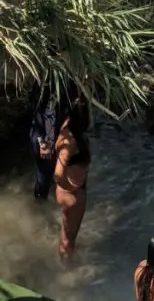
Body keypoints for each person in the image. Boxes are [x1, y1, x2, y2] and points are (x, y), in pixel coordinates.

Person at [54, 97, 90, 260]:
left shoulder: (67, 127)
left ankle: (64, 258)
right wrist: (70, 187)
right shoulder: (70, 142)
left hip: (69, 192)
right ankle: (67, 269)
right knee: (70, 239)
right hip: (72, 195)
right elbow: (58, 173)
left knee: (66, 230)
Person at [28, 81, 71, 201]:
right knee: (43, 177)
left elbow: (65, 113)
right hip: (42, 142)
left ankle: (48, 198)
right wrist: (42, 144)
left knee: (51, 172)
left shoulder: (62, 89)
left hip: (55, 141)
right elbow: (36, 119)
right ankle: (40, 206)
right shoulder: (41, 91)